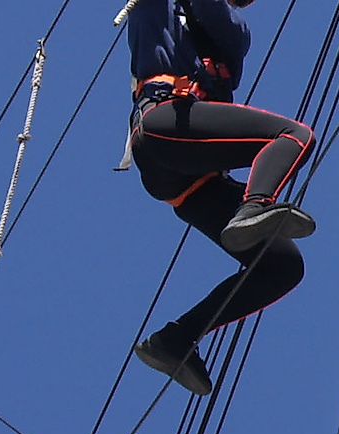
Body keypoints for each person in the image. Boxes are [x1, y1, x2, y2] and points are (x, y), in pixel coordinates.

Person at [123, 0, 316, 395]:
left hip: (187, 175)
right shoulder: (154, 10)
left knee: (281, 267)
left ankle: (176, 339)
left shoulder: (231, 28)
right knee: (293, 136)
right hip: (163, 125)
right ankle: (255, 204)